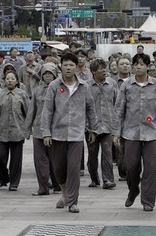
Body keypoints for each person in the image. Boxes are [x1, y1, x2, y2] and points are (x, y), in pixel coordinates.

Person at [41, 52, 99, 213]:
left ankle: (72, 201)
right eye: (65, 64)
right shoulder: (54, 86)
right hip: (57, 133)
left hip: (76, 133)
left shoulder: (84, 86)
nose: (68, 68)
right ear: (60, 66)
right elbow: (47, 110)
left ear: (76, 67)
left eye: (71, 65)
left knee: (74, 168)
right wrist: (46, 132)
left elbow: (91, 109)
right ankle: (65, 193)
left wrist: (93, 129)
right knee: (59, 168)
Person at [113, 53, 156, 212]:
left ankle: (148, 201)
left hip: (152, 133)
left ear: (147, 66)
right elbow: (119, 110)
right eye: (136, 64)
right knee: (131, 167)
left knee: (152, 168)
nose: (138, 66)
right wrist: (116, 133)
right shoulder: (126, 86)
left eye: (142, 64)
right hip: (130, 133)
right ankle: (133, 190)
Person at [0, 72, 31, 192]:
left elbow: (28, 113)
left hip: (17, 131)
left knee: (16, 160)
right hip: (1, 131)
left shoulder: (22, 94)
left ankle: (14, 183)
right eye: (7, 79)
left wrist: (27, 129)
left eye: (12, 79)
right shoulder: (0, 94)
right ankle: (3, 178)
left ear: (17, 81)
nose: (9, 81)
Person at [25, 63, 60, 196]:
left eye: (50, 73)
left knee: (54, 160)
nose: (47, 76)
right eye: (45, 73)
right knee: (40, 160)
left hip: (54, 130)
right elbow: (31, 111)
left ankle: (57, 185)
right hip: (38, 129)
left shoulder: (59, 89)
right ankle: (43, 187)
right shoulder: (38, 91)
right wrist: (27, 130)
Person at [85, 59, 117, 189]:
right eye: (100, 69)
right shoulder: (86, 86)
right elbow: (84, 107)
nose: (104, 71)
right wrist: (88, 127)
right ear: (93, 71)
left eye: (105, 68)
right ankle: (94, 178)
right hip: (91, 127)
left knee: (107, 153)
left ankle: (108, 179)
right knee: (92, 155)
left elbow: (117, 103)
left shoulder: (112, 84)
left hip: (108, 125)